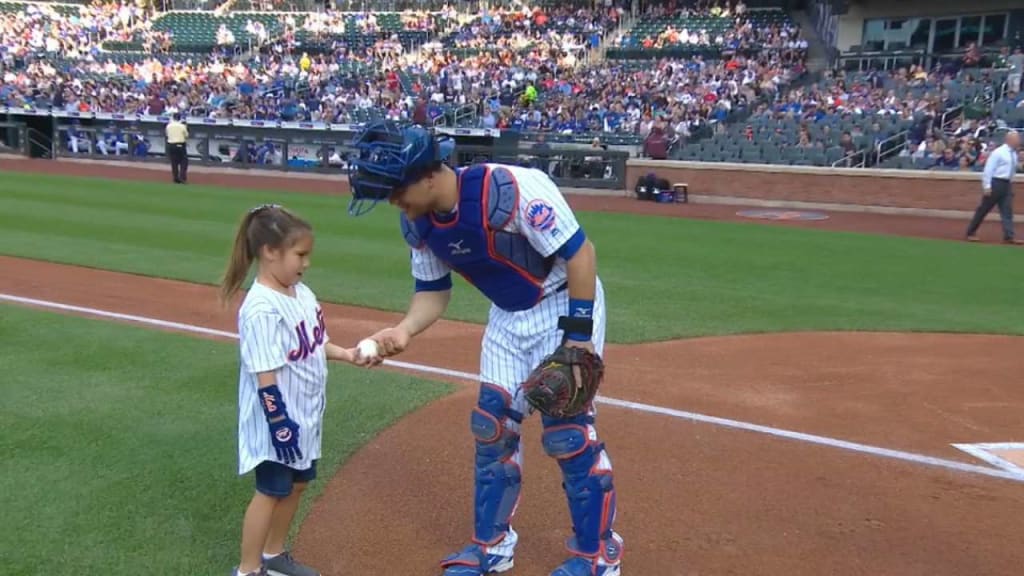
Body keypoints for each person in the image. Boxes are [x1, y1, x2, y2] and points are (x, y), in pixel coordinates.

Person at [346, 120, 624, 576]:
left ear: (430, 175)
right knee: (491, 426)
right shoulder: (417, 224)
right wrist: (404, 330)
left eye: (397, 191)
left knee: (568, 432)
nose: (394, 201)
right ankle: (492, 546)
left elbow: (581, 254)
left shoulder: (510, 190)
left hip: (564, 304)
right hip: (507, 316)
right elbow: (432, 292)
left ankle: (599, 553)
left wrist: (578, 338)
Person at [219, 204, 363, 576]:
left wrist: (346, 353)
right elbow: (264, 374)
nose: (306, 263)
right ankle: (248, 570)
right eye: (300, 255)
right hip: (277, 422)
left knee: (298, 485)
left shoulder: (301, 293)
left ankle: (274, 556)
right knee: (271, 491)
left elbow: (314, 345)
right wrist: (279, 422)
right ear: (270, 252)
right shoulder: (261, 309)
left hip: (305, 414)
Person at [966, 130, 1022, 244]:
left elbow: (1012, 170)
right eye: (1017, 139)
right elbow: (989, 169)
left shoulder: (1013, 154)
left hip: (1006, 184)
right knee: (984, 209)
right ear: (1009, 139)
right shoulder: (999, 152)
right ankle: (970, 232)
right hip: (996, 182)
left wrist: (1010, 183)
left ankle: (1009, 236)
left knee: (1007, 211)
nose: (1019, 141)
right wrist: (987, 186)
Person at [165, 112, 189, 184]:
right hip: (180, 144)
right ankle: (182, 177)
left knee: (174, 162)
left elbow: (167, 134)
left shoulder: (168, 126)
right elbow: (186, 135)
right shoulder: (182, 126)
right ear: (180, 118)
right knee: (184, 161)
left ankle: (175, 178)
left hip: (171, 145)